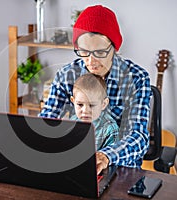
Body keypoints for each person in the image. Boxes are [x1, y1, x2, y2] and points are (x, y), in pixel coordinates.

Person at [39, 5, 151, 174]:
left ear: (114, 47)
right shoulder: (67, 75)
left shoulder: (136, 78)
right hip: (74, 166)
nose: (91, 61)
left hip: (121, 169)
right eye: (84, 51)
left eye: (100, 52)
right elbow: (47, 119)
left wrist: (105, 156)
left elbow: (139, 137)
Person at [70, 73, 119, 150]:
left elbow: (112, 156)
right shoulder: (72, 121)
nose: (85, 111)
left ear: (103, 104)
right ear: (73, 101)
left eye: (92, 105)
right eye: (80, 104)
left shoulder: (110, 129)